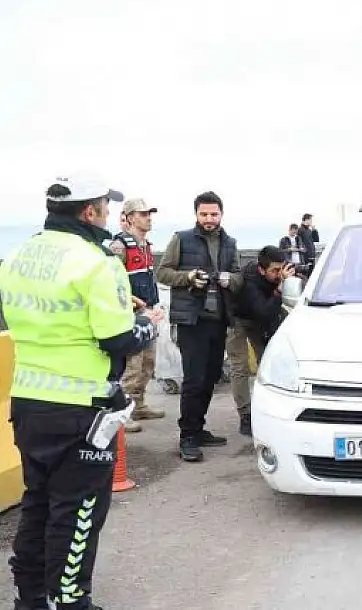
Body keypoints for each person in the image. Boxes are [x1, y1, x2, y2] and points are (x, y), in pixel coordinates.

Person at [1, 176, 160, 610]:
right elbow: (118, 338)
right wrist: (149, 324)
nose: (107, 215)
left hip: (29, 403)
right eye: (104, 208)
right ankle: (71, 601)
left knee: (38, 503)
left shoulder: (18, 256)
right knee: (79, 511)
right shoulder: (96, 262)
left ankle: (30, 597)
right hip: (82, 408)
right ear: (89, 213)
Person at [155, 191, 243, 462]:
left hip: (218, 320)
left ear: (221, 214)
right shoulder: (181, 239)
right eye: (204, 214)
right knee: (193, 380)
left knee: (210, 377)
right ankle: (188, 437)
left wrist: (231, 280)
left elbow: (240, 277)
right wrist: (189, 277)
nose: (209, 219)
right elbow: (163, 272)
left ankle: (199, 427)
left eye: (213, 214)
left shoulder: (230, 243)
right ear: (196, 214)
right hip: (191, 321)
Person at [227, 246, 295, 436]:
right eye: (274, 270)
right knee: (239, 367)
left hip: (260, 321)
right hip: (238, 319)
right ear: (261, 269)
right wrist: (279, 291)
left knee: (267, 362)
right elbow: (264, 312)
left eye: (281, 268)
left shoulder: (275, 276)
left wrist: (290, 282)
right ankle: (246, 415)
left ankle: (272, 410)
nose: (278, 274)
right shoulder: (249, 282)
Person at [112, 198, 166, 433]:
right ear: (130, 217)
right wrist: (135, 304)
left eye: (149, 214)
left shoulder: (145, 246)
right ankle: (122, 412)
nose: (148, 218)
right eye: (143, 214)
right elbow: (111, 281)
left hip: (148, 311)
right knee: (132, 365)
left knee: (148, 362)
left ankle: (139, 404)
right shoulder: (119, 246)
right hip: (131, 314)